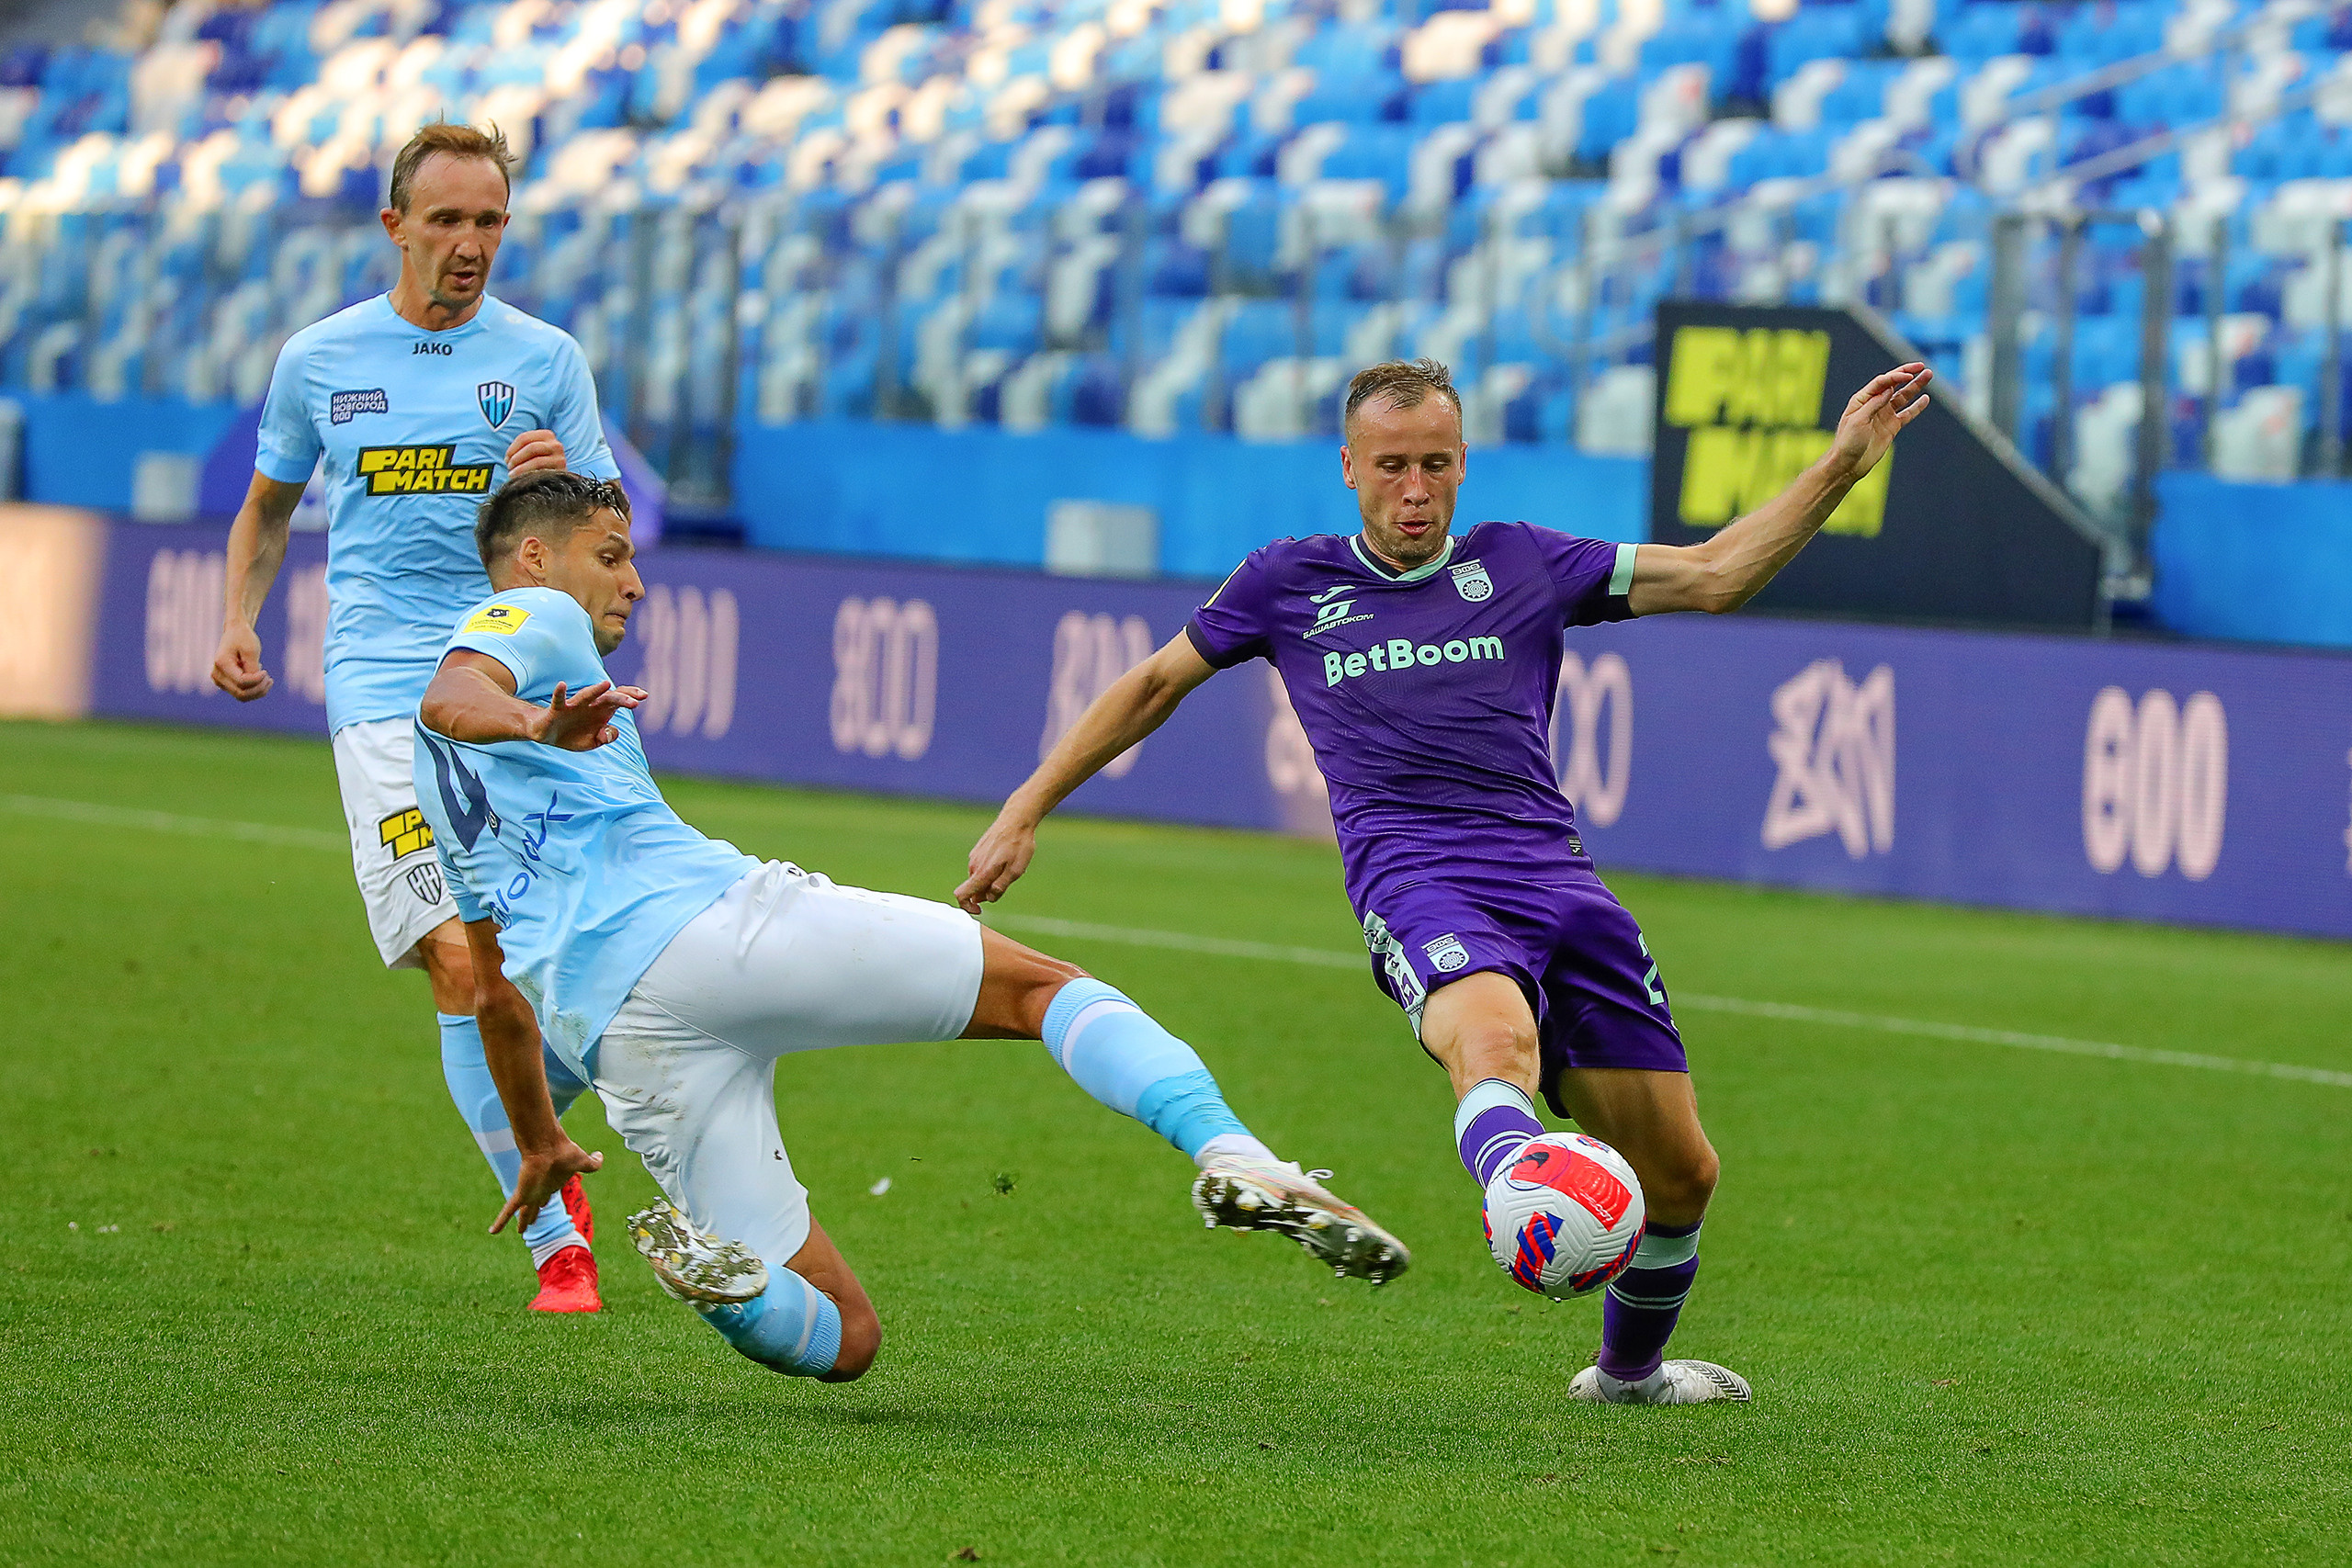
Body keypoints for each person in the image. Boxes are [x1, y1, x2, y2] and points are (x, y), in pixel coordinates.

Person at [958, 355, 1932, 1404]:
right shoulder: (1287, 581)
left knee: (1683, 1175)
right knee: (1494, 1042)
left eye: (1433, 464)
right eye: (1389, 467)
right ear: (1348, 467)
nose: (1412, 489)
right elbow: (1153, 683)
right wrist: (1026, 808)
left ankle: (1626, 1377)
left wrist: (1840, 466)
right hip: (1419, 881)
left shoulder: (1525, 561)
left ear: (1463, 464)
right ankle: (1526, 1187)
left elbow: (1715, 574)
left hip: (1558, 886)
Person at [413, 471, 1407, 1381]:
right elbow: (451, 692)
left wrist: (538, 1140)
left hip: (624, 1041)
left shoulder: (436, 794)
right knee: (1045, 990)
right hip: (715, 933)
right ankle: (1232, 1153)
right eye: (611, 554)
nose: (633, 581)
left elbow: (496, 992)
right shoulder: (532, 615)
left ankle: (731, 1284)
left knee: (843, 1339)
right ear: (537, 558)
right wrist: (533, 724)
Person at [209, 122, 621, 1312]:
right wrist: (242, 614)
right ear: (394, 226)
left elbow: (605, 536)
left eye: (489, 221)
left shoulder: (544, 358)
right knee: (458, 952)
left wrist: (563, 487)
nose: (470, 244)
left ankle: (542, 1115)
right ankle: (558, 1226)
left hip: (516, 677)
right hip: (384, 695)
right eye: (446, 221)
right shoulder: (321, 358)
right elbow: (268, 507)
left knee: (577, 960)